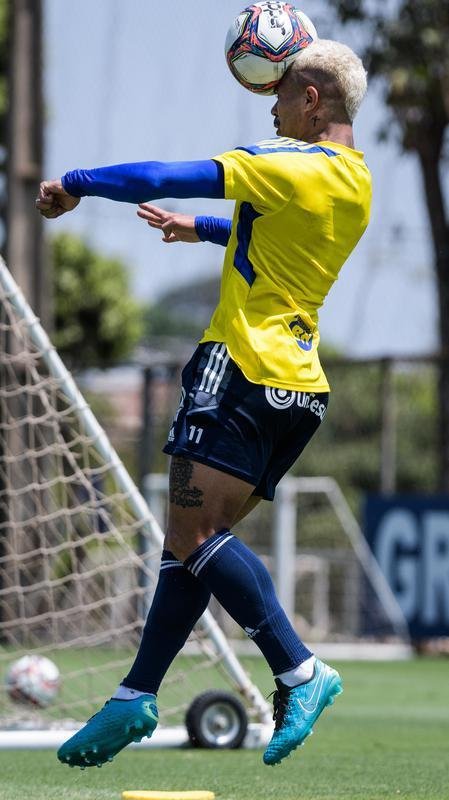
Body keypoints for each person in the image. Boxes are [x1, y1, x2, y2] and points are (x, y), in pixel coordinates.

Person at [36, 38, 371, 768]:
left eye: (281, 94)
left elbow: (162, 173)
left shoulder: (285, 163)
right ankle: (133, 698)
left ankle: (299, 670)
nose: (272, 107)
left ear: (311, 100)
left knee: (192, 536)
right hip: (298, 390)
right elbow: (275, 235)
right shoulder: (354, 181)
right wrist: (208, 229)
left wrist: (77, 181)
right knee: (190, 542)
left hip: (241, 367)